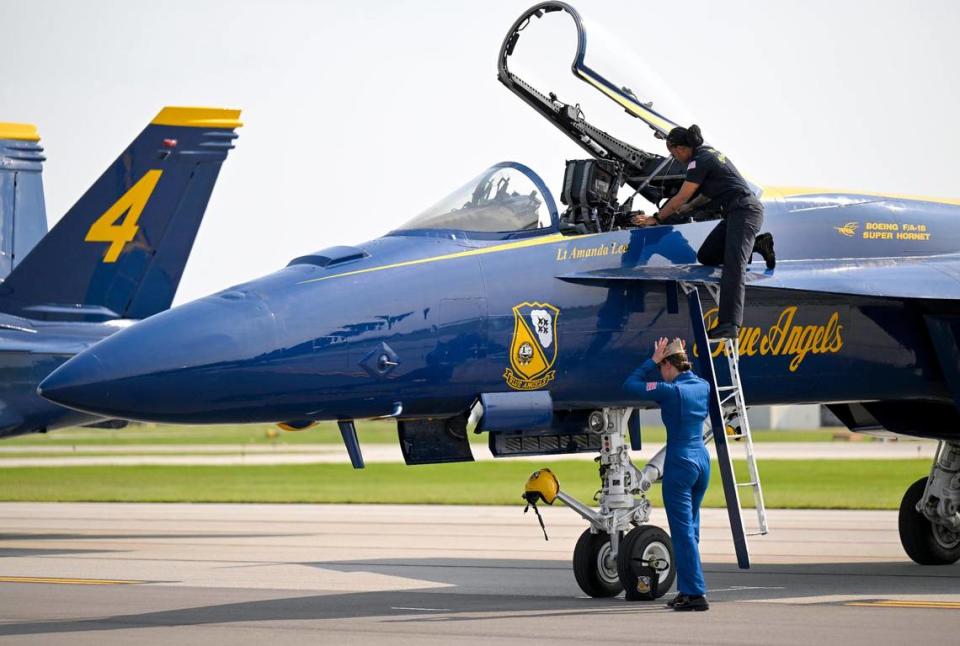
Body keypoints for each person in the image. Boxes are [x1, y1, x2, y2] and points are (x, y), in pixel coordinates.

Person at [633, 125, 775, 340]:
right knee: (706, 256)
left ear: (680, 148)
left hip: (745, 211)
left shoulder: (698, 161)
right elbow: (709, 192)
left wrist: (657, 218)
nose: (674, 157)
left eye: (673, 153)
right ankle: (758, 244)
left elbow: (682, 195)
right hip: (735, 213)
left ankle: (730, 324)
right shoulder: (706, 155)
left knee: (734, 265)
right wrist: (690, 208)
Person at [623, 337, 711, 611]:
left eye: (662, 366)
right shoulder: (702, 386)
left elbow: (630, 385)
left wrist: (651, 359)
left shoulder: (669, 391)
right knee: (691, 530)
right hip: (702, 460)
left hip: (680, 461)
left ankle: (696, 594)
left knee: (682, 532)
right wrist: (675, 352)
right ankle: (687, 589)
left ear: (669, 365)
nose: (660, 371)